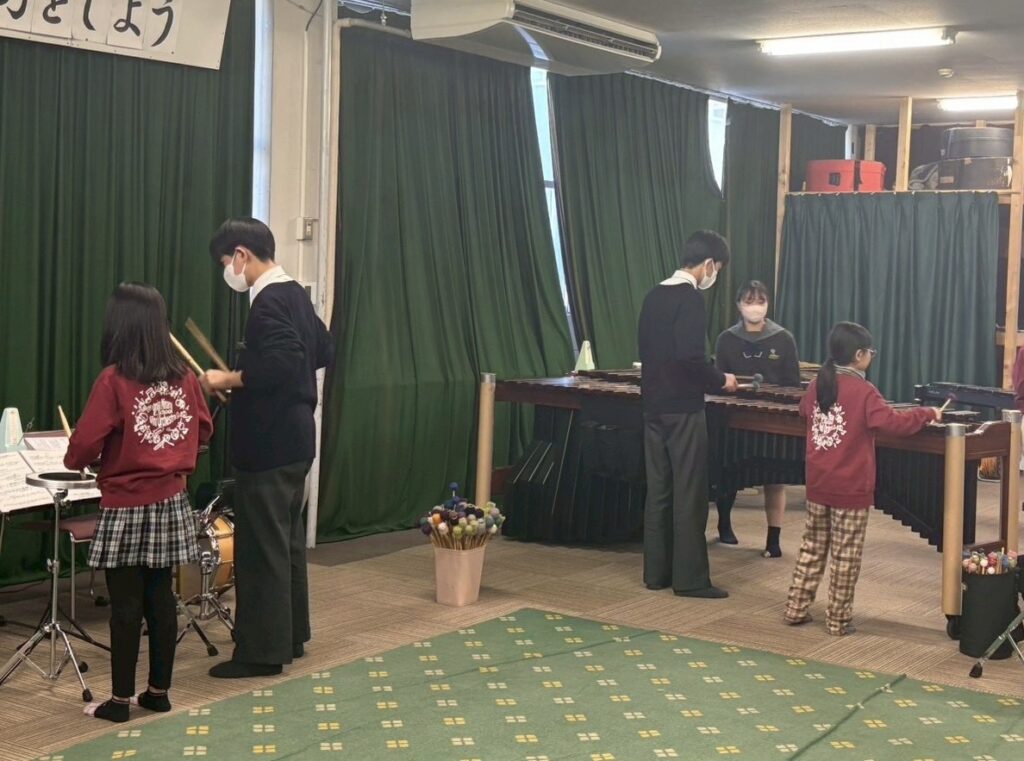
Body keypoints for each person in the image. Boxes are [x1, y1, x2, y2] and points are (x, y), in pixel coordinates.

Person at [65, 283, 213, 722]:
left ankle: (119, 702)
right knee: (161, 597)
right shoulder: (185, 378)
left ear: (119, 326)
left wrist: (83, 459)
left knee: (125, 605)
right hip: (171, 501)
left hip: (126, 504)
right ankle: (158, 693)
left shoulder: (113, 380)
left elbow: (83, 446)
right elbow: (204, 430)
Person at [201, 218, 333, 678]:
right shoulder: (295, 293)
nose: (228, 272)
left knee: (261, 549)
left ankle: (260, 652)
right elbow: (323, 350)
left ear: (241, 255)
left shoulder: (269, 300)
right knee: (286, 543)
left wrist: (230, 378)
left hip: (270, 443)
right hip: (297, 438)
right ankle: (290, 635)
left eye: (226, 262)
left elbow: (283, 363)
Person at [783, 322, 940, 636]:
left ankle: (795, 608)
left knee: (812, 547)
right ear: (858, 355)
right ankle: (838, 621)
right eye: (870, 351)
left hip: (818, 482)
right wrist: (927, 414)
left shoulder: (817, 385)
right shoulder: (864, 391)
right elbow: (893, 424)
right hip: (850, 486)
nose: (871, 356)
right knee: (846, 556)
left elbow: (804, 411)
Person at [638, 230, 738, 599]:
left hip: (653, 405)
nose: (715, 276)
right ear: (708, 264)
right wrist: (721, 380)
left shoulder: (653, 295)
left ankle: (656, 573)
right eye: (718, 269)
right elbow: (691, 358)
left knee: (659, 490)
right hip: (683, 408)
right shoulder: (691, 299)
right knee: (690, 492)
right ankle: (691, 580)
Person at [714, 280, 801, 557]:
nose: (755, 307)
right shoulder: (726, 339)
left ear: (768, 304)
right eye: (749, 301)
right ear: (739, 305)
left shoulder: (783, 338)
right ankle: (724, 524)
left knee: (774, 479)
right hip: (734, 417)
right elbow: (717, 380)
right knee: (727, 473)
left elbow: (793, 384)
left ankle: (773, 540)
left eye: (760, 301)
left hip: (771, 419)